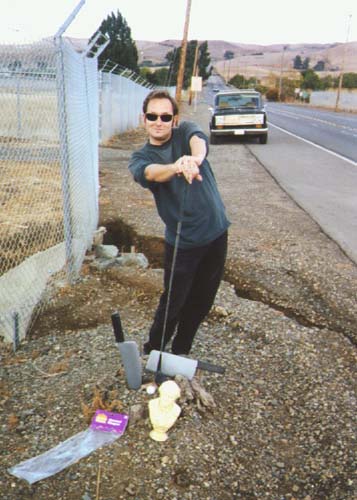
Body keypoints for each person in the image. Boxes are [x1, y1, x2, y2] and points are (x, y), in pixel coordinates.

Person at [128, 90, 230, 356]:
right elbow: (152, 174)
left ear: (175, 119)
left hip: (217, 232)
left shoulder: (185, 132)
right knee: (173, 301)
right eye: (152, 116)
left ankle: (182, 350)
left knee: (202, 300)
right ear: (144, 119)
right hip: (183, 243)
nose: (158, 121)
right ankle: (154, 350)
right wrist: (177, 166)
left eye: (165, 116)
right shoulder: (141, 157)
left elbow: (199, 142)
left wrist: (194, 160)